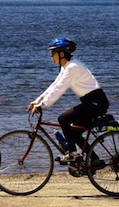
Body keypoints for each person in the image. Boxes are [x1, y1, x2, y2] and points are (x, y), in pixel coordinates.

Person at [28, 37, 109, 168]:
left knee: (63, 119)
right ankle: (94, 160)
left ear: (61, 54)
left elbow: (59, 89)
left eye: (52, 53)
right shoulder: (66, 67)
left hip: (95, 103)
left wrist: (43, 105)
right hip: (91, 102)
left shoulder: (72, 68)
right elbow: (54, 85)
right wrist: (38, 100)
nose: (51, 57)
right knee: (74, 133)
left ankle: (72, 153)